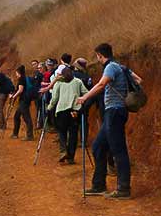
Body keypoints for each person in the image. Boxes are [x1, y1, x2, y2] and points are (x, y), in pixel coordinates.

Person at [77, 43, 133, 199]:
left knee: (118, 150)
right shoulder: (121, 67)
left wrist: (85, 97)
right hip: (113, 112)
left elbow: (102, 84)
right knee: (98, 147)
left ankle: (123, 189)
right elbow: (138, 80)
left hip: (114, 111)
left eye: (97, 56)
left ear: (99, 55)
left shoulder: (111, 67)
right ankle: (99, 185)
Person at [47, 66, 88, 164]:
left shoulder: (59, 82)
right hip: (74, 112)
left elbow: (55, 98)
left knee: (62, 132)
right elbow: (86, 93)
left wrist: (49, 107)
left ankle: (63, 151)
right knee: (73, 134)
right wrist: (81, 101)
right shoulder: (78, 81)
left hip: (62, 111)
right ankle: (70, 157)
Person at [10, 65, 34, 141]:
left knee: (26, 118)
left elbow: (20, 90)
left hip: (24, 101)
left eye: (16, 73)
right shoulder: (25, 78)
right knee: (17, 116)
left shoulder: (21, 79)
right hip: (25, 100)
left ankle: (29, 135)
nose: (16, 74)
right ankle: (15, 133)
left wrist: (13, 97)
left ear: (18, 72)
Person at [30, 59, 44, 127]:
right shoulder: (35, 73)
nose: (34, 66)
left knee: (40, 108)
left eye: (35, 64)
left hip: (40, 93)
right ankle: (39, 123)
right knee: (38, 108)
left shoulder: (40, 74)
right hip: (35, 93)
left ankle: (39, 124)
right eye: (32, 64)